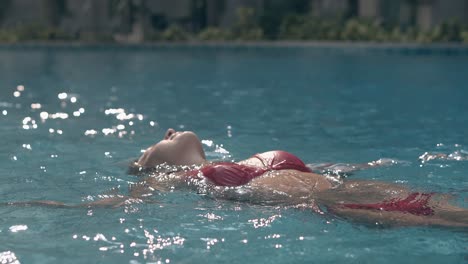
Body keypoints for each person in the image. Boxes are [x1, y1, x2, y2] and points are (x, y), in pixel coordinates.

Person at [8, 128, 468, 228]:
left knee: (437, 201)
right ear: (151, 162)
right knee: (446, 221)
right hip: (330, 204)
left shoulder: (242, 156)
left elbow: (316, 171)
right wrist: (32, 206)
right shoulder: (171, 178)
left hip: (337, 188)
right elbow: (113, 205)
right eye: (154, 143)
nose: (168, 132)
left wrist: (358, 168)